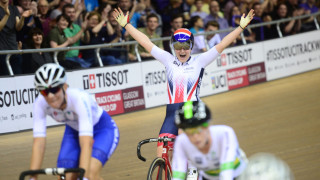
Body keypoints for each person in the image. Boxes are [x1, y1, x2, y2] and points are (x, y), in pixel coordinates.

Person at [113, 7, 255, 158]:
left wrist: (240, 27)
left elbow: (222, 44)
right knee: (160, 154)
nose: (182, 50)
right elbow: (146, 42)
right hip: (171, 113)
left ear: (191, 47)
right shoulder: (168, 60)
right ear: (173, 47)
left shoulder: (200, 61)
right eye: (178, 46)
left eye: (186, 46)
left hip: (191, 111)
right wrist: (126, 25)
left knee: (183, 147)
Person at [30, 63, 120, 180]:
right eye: (44, 92)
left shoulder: (79, 99)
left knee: (91, 173)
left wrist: (85, 177)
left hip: (102, 130)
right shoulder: (40, 103)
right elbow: (39, 144)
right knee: (64, 176)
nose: (51, 96)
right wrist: (33, 177)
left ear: (65, 86)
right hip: (73, 131)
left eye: (54, 89)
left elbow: (86, 143)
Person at [172, 101, 247, 180]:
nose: (195, 137)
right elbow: (178, 175)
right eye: (189, 132)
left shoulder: (225, 133)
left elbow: (226, 173)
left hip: (238, 175)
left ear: (208, 126)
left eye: (198, 130)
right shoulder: (181, 142)